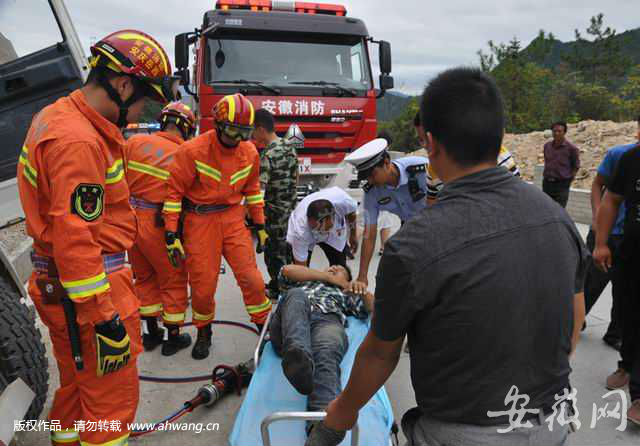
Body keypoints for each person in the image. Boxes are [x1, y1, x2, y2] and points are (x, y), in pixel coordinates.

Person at [311, 67, 588, 446]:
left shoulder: (413, 247)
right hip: (552, 423)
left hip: (461, 433)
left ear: (431, 143)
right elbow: (575, 323)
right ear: (498, 136)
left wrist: (341, 412)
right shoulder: (558, 219)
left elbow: (379, 354)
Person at [17, 30, 176, 446]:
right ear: (123, 84)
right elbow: (76, 237)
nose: (143, 108)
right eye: (145, 98)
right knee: (110, 405)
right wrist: (103, 317)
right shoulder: (80, 141)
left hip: (59, 287)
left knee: (75, 385)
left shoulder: (57, 115)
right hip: (89, 292)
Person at [163, 93, 272, 360]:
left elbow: (253, 190)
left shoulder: (249, 153)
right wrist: (170, 233)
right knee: (203, 287)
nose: (236, 139)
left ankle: (265, 330)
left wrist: (260, 225)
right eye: (233, 131)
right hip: (200, 222)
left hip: (234, 219)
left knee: (253, 279)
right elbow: (174, 193)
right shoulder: (192, 151)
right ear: (219, 124)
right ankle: (204, 332)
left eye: (243, 133)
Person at [125, 102, 196, 356]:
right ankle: (173, 338)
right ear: (187, 128)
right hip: (160, 223)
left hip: (131, 221)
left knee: (143, 277)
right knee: (173, 279)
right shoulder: (186, 153)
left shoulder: (134, 143)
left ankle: (151, 333)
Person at [269, 264, 373, 420]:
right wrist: (330, 277)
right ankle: (298, 356)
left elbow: (373, 308)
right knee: (296, 294)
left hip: (326, 321)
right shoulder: (302, 283)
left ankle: (321, 424)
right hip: (292, 321)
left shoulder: (345, 294)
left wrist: (362, 291)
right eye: (331, 267)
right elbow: (286, 270)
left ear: (347, 280)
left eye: (339, 270)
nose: (333, 268)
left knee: (326, 352)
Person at [593, 137, 640, 425]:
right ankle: (626, 364)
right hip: (632, 253)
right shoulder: (630, 159)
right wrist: (600, 243)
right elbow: (611, 199)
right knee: (626, 314)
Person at [583, 120, 639, 350]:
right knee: (589, 282)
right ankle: (573, 320)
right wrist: (598, 219)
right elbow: (598, 186)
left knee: (624, 289)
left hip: (631, 238)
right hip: (607, 233)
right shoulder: (621, 155)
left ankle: (615, 334)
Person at [344, 138, 428, 286]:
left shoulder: (421, 169)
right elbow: (369, 235)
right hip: (411, 228)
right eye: (366, 177)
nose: (370, 181)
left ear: (387, 163)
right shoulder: (372, 193)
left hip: (440, 223)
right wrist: (362, 276)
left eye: (372, 174)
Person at [414, 112, 521, 204]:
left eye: (429, 138)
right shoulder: (433, 169)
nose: (425, 145)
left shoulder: (494, 155)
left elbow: (516, 198)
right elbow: (432, 205)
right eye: (421, 140)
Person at [254, 110, 299, 297]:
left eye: (253, 131)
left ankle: (282, 290)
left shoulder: (268, 155)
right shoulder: (290, 146)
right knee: (288, 249)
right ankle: (283, 284)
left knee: (273, 253)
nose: (252, 136)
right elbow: (296, 177)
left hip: (273, 213)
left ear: (261, 130)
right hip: (291, 209)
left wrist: (256, 214)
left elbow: (260, 189)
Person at [286, 187, 357, 268]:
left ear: (332, 217)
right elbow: (301, 268)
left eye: (322, 229)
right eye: (315, 228)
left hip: (334, 233)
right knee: (299, 271)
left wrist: (353, 235)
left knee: (340, 266)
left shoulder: (344, 202)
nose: (319, 232)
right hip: (306, 235)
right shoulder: (299, 231)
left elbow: (352, 214)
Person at [542, 121, 581, 208]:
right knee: (546, 208)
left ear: (564, 132)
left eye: (559, 131)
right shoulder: (547, 146)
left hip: (561, 185)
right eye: (554, 131)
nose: (556, 133)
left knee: (559, 210)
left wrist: (568, 181)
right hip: (547, 183)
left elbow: (576, 166)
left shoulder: (571, 148)